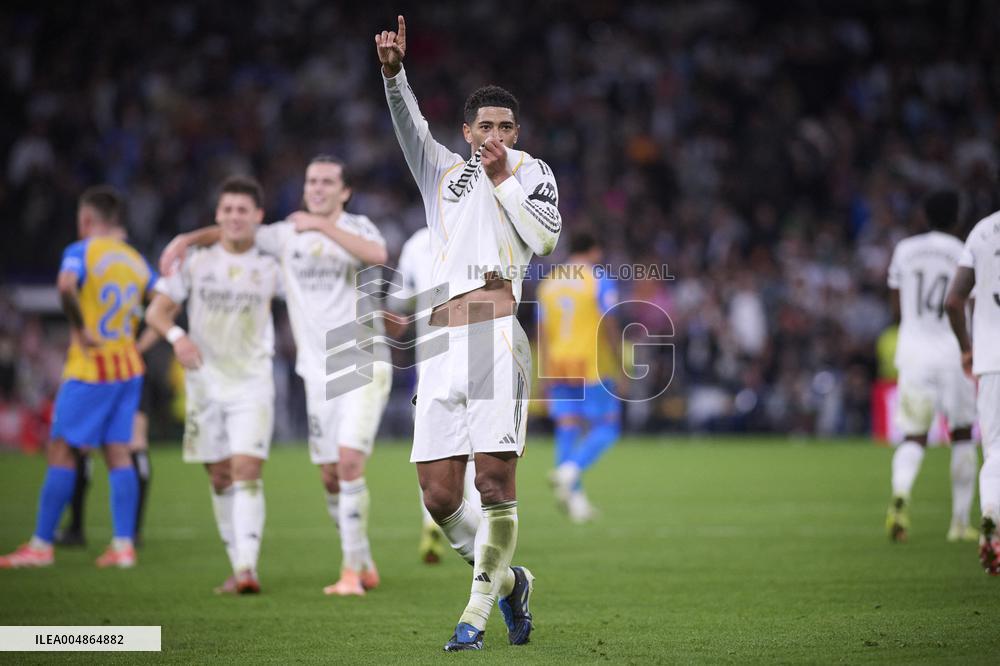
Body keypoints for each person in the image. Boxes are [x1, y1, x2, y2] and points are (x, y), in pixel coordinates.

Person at [377, 14, 561, 650]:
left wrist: (504, 176)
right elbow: (409, 127)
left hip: (494, 334)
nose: (495, 135)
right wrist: (395, 76)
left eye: (505, 127)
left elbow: (543, 239)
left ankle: (476, 615)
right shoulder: (443, 173)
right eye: (485, 126)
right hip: (439, 343)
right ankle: (511, 583)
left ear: (517, 133)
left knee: (493, 484)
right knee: (437, 495)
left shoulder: (531, 171)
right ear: (467, 131)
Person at [158, 157, 391, 596]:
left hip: (361, 359)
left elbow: (377, 256)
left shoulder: (357, 227)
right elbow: (236, 230)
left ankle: (349, 572)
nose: (317, 188)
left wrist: (320, 226)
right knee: (329, 475)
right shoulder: (285, 234)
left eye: (327, 182)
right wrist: (186, 240)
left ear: (344, 192)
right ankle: (363, 561)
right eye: (311, 181)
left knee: (348, 463)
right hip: (315, 370)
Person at [0, 186, 156, 569]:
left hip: (91, 368)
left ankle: (41, 545)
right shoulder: (136, 260)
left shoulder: (81, 251)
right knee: (118, 451)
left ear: (86, 219)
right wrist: (141, 344)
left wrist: (81, 327)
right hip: (127, 368)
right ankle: (123, 546)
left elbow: (66, 285)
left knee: (61, 448)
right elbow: (165, 302)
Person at [145, 176, 282, 594]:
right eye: (228, 210)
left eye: (243, 210)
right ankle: (236, 564)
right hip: (204, 383)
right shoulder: (195, 262)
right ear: (217, 215)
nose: (234, 217)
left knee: (246, 470)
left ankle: (246, 568)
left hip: (253, 381)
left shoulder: (273, 263)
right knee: (220, 475)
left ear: (258, 216)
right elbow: (156, 313)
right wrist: (177, 337)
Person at [883, 190, 979, 543]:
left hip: (913, 354)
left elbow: (896, 307)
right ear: (957, 217)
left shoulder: (904, 250)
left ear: (923, 215)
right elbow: (968, 303)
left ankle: (901, 494)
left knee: (913, 436)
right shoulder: (963, 250)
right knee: (963, 433)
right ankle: (959, 523)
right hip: (953, 353)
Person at [394, 227, 481, 563]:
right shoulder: (479, 232)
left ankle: (431, 521)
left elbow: (398, 300)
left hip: (431, 365)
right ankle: (481, 529)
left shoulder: (416, 242)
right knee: (477, 451)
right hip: (480, 359)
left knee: (430, 451)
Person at [537, 232, 622, 524]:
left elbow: (542, 331)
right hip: (590, 363)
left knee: (568, 429)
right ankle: (570, 470)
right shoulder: (597, 279)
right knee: (608, 428)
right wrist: (620, 362)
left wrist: (544, 372)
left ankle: (575, 502)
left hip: (558, 365)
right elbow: (609, 321)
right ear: (594, 250)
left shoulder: (549, 283)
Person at [55, 325, 158, 548]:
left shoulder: (88, 302)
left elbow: (160, 316)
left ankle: (70, 532)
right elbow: (163, 314)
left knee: (79, 445)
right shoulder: (137, 300)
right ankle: (127, 535)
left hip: (96, 371)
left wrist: (134, 349)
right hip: (128, 368)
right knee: (127, 446)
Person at [944, 207, 1000, 575]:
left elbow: (953, 300)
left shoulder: (982, 231)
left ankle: (991, 518)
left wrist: (967, 348)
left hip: (992, 358)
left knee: (996, 450)